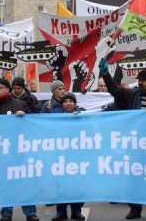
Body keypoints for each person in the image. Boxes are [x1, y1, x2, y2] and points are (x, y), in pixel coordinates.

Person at [98, 58, 146, 220]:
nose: (140, 83)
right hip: (135, 144)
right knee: (134, 178)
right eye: (139, 80)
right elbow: (114, 90)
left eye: (143, 80)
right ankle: (135, 209)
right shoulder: (131, 94)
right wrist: (105, 73)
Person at [0, 78, 39, 221]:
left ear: (8, 89)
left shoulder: (20, 104)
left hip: (19, 150)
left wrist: (25, 117)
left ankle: (30, 212)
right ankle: (6, 213)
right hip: (0, 151)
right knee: (5, 182)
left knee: (24, 181)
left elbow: (33, 125)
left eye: (0, 87)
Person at [50, 93, 85, 221]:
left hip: (77, 157)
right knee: (61, 186)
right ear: (62, 104)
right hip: (60, 157)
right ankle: (61, 212)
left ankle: (77, 211)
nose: (68, 103)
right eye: (66, 101)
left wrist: (81, 116)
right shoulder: (56, 118)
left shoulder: (83, 115)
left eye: (71, 101)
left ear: (75, 104)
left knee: (77, 186)